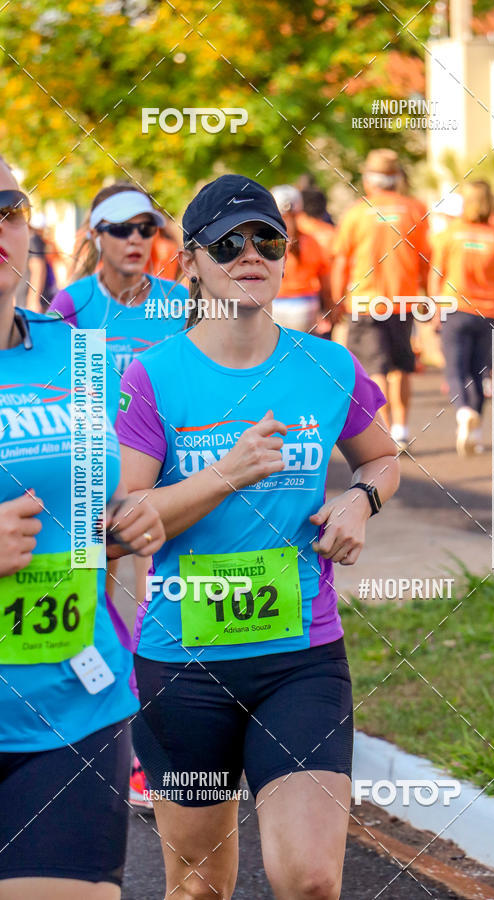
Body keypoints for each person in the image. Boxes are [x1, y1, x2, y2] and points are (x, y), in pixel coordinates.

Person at [117, 173, 400, 899]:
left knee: (309, 880)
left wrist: (360, 502)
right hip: (185, 669)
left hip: (300, 660)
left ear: (285, 255)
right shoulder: (152, 378)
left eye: (266, 239)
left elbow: (383, 456)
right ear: (190, 265)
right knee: (200, 887)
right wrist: (226, 474)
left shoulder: (327, 365)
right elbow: (123, 524)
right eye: (227, 242)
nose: (251, 254)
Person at [0, 157, 165, 899]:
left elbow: (115, 494)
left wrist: (133, 521)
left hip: (73, 700)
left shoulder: (77, 353)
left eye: (8, 207)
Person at [331, 148, 430, 452]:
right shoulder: (415, 209)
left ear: (370, 180)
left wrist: (336, 301)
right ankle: (400, 427)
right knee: (401, 365)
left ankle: (386, 429)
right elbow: (427, 257)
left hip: (365, 301)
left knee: (376, 367)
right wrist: (426, 292)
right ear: (397, 177)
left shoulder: (356, 212)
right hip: (402, 300)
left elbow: (340, 262)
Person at [49, 182, 188, 377]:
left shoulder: (179, 298)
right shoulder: (72, 302)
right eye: (122, 229)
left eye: (145, 228)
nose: (135, 239)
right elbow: (50, 378)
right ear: (97, 236)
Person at [429, 180, 494, 455]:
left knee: (456, 369)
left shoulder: (450, 233)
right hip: (489, 312)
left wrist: (434, 308)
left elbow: (436, 274)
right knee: (480, 372)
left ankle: (463, 412)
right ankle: (477, 434)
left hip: (455, 308)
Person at [270, 184, 338, 337]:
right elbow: (326, 283)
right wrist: (330, 307)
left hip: (274, 306)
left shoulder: (265, 243)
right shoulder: (311, 241)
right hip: (306, 306)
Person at [14, 212, 57, 312]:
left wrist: (33, 300)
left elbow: (38, 269)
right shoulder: (30, 239)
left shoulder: (33, 240)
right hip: (22, 298)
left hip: (28, 300)